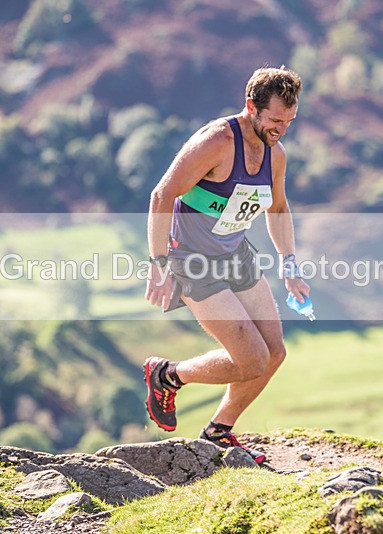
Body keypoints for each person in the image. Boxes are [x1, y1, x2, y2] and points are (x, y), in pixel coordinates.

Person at [143, 66, 310, 464]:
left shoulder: (276, 154)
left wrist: (290, 263)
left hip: (235, 254)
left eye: (289, 121)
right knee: (251, 359)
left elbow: (279, 208)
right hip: (193, 260)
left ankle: (218, 432)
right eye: (274, 120)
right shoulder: (217, 141)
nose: (281, 130)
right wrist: (159, 262)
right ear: (251, 106)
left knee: (274, 354)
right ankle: (168, 375)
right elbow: (162, 195)